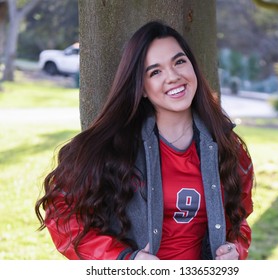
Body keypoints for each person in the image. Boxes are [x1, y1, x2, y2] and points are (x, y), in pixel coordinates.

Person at [35, 20, 254, 260]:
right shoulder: (112, 146)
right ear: (141, 88)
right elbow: (62, 215)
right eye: (155, 72)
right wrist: (124, 260)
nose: (173, 77)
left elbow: (239, 219)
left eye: (179, 62)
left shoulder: (226, 145)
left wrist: (236, 249)